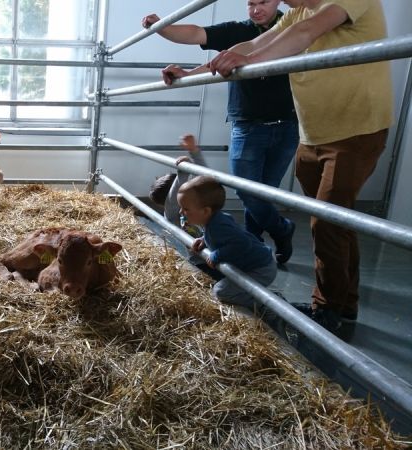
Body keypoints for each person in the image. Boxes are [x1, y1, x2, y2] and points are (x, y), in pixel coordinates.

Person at [203, 0, 391, 333]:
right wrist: (193, 72)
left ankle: (329, 310)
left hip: (357, 129)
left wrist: (248, 60)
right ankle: (345, 306)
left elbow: (306, 33)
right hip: (313, 133)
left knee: (328, 221)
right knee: (336, 221)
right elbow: (257, 42)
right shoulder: (296, 12)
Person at [146, 0, 298, 264]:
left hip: (288, 124)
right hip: (248, 125)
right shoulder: (238, 31)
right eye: (250, 3)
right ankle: (282, 229)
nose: (255, 9)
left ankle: (254, 245)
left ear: (278, 1)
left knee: (264, 194)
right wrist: (161, 28)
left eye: (263, 2)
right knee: (248, 192)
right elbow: (196, 33)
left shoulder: (295, 26)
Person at [177, 175, 277, 309]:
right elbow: (225, 238)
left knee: (221, 292)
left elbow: (242, 243)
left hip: (259, 268)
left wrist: (217, 255)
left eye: (185, 209)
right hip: (258, 263)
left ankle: (268, 307)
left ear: (206, 211)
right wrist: (204, 240)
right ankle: (262, 298)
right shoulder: (214, 219)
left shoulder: (218, 226)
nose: (180, 212)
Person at [149, 134, 224, 281]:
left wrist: (194, 153)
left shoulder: (199, 205)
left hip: (221, 251)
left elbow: (207, 181)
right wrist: (183, 172)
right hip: (203, 262)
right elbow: (173, 199)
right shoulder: (172, 214)